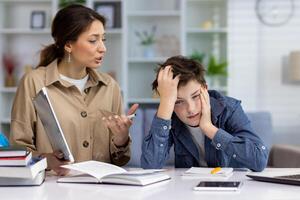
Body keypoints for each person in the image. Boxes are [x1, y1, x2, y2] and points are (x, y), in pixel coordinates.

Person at [9, 4, 138, 175]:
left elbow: (120, 161)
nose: (103, 48)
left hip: (102, 190)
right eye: (93, 40)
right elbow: (17, 150)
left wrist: (121, 139)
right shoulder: (33, 82)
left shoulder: (110, 87)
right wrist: (46, 159)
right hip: (52, 190)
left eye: (103, 39)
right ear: (69, 45)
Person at [141, 55, 268, 172]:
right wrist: (166, 102)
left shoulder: (229, 109)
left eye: (195, 96)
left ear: (205, 89)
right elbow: (150, 167)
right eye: (178, 102)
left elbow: (259, 160)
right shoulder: (167, 114)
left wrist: (210, 129)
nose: (190, 109)